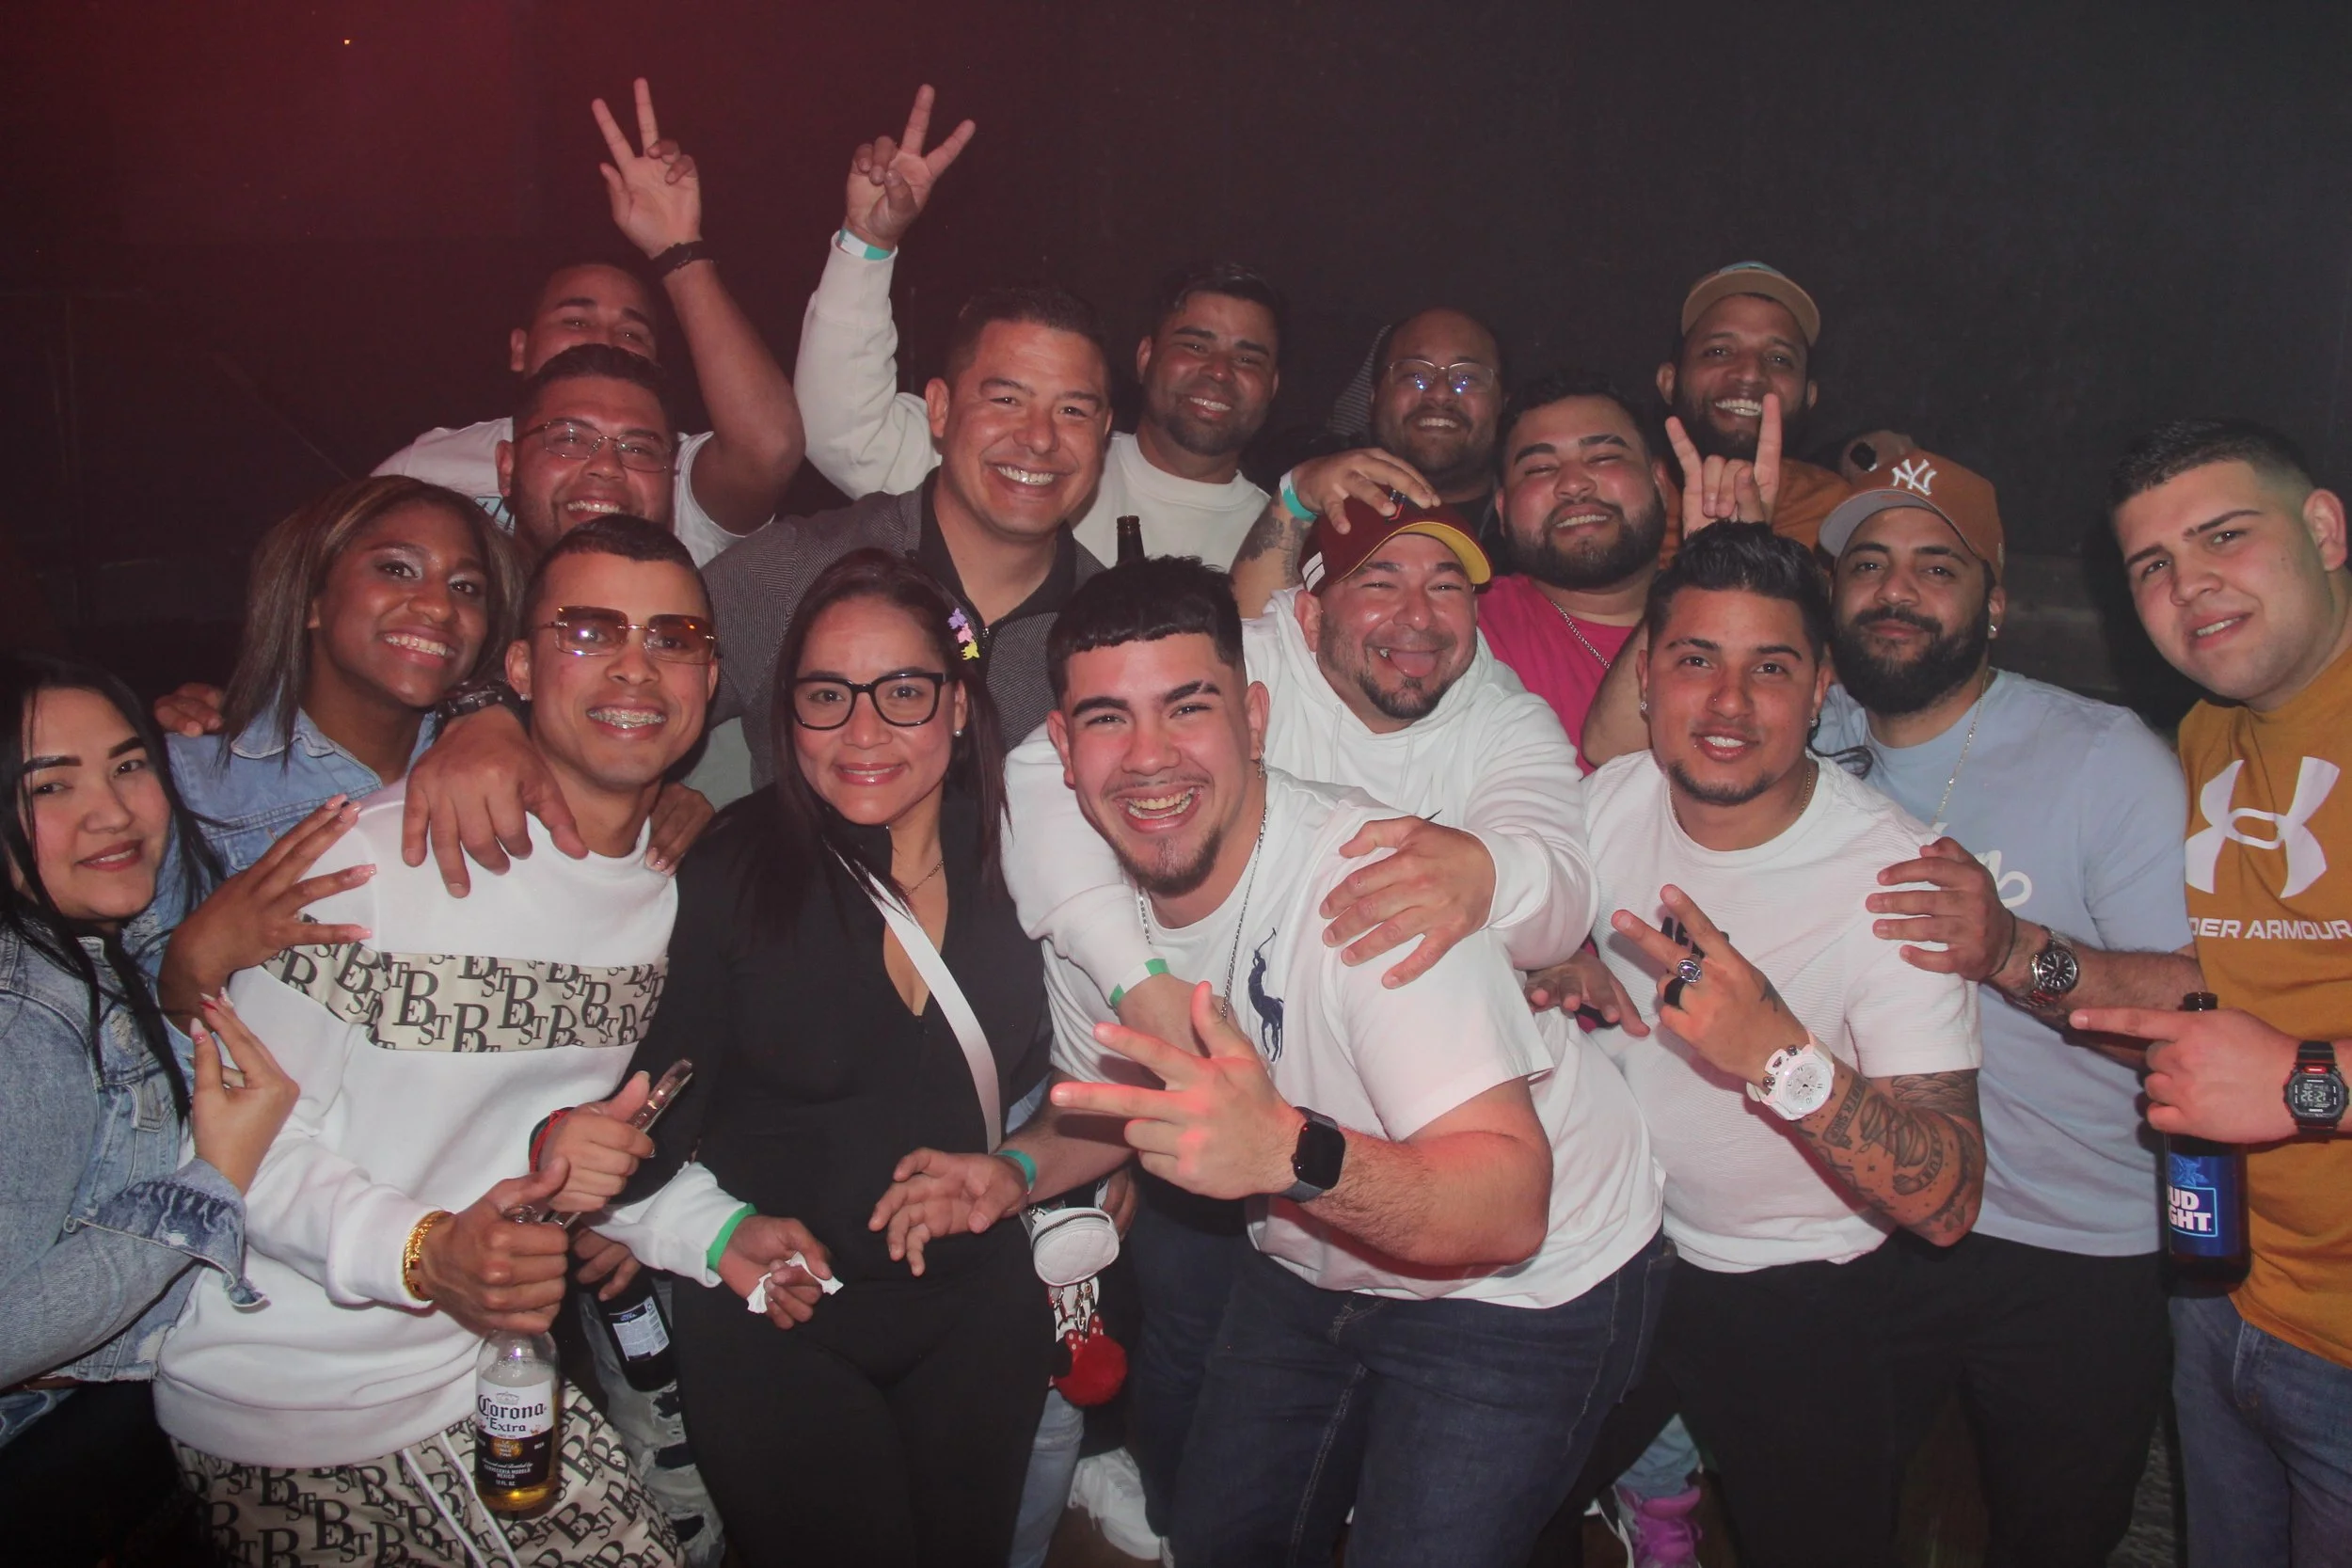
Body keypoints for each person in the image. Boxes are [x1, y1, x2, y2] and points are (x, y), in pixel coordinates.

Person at [986, 558, 1661, 1565]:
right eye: (1106, 720)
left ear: (1256, 718)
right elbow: (1124, 1101)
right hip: (1314, 1256)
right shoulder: (1101, 925)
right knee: (1221, 1542)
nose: (1149, 758)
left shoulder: (1367, 890)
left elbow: (1510, 1200)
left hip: (1527, 1283)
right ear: (1062, 749)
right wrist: (1010, 1171)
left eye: (1187, 707)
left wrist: (1287, 1153)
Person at [154, 516, 719, 1566]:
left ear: (708, 672)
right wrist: (424, 1250)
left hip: (490, 1372)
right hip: (290, 1394)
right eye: (590, 631)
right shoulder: (366, 861)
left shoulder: (676, 891)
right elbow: (239, 1154)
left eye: (674, 637)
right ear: (518, 665)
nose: (637, 665)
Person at [577, 549, 1053, 1566]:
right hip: (784, 1313)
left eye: (905, 692)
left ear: (960, 706)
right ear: (785, 713)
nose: (864, 730)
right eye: (826, 695)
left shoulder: (1035, 852)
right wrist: (686, 1225)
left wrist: (1068, 1164)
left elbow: (1106, 1060)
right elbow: (636, 1117)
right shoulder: (734, 864)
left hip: (980, 1315)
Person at [1558, 522, 1984, 1568]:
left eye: (1771, 667)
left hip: (1796, 1287)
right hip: (1611, 1242)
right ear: (1648, 677)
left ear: (1821, 685)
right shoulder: (1608, 800)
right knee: (1512, 1504)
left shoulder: (1895, 880)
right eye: (1696, 658)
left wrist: (1780, 1059)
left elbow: (1950, 1196)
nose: (1730, 702)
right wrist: (1552, 959)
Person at [1805, 451, 2200, 1565]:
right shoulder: (1806, 744)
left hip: (2074, 1245)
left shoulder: (2100, 757)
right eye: (1868, 563)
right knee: (1836, 1517)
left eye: (1937, 565)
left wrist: (2014, 950)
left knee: (2050, 1535)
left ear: (1995, 603)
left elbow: (2192, 995)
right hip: (1873, 1217)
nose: (1895, 589)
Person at [2080, 419, 2352, 1564]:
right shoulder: (2205, 732)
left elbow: (2281, 1063)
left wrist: (2304, 1083)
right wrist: (2016, 954)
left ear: (2324, 528)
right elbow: (2224, 975)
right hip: (2228, 1291)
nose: (2188, 585)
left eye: (2223, 536)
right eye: (2152, 564)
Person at [0, 653, 310, 1564]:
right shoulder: (29, 1011)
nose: (112, 809)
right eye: (53, 784)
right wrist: (213, 1176)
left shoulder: (103, 949)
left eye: (129, 765)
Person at [796, 86, 1279, 566]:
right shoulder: (1034, 458)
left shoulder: (1284, 543)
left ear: (1274, 385)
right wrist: (867, 242)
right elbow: (844, 429)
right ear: (1146, 356)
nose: (1218, 371)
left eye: (1247, 357)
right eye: (1195, 345)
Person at [376, 78, 802, 567]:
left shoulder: (666, 467)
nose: (605, 341)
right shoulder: (428, 468)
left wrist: (677, 249)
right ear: (520, 348)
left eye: (631, 332)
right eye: (576, 321)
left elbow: (769, 448)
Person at [167, 476, 523, 873]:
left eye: (465, 587)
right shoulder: (188, 785)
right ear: (310, 601)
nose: (440, 607)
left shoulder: (510, 758)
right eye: (397, 569)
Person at [1231, 306, 1505, 612]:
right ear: (1373, 397)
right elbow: (1249, 640)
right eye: (1414, 375)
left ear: (1502, 403)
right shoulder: (1295, 479)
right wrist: (1295, 498)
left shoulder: (1530, 531)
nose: (1440, 394)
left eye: (1467, 377)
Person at [1477, 372, 1676, 755]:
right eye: (1539, 469)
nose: (1573, 483)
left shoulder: (1749, 620)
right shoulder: (1463, 626)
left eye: (1603, 458)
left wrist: (1719, 572)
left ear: (1659, 483)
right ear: (1502, 510)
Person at [1655, 261, 1849, 552]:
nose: (1750, 373)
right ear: (1669, 382)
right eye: (1718, 351)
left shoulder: (1841, 515)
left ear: (1810, 396)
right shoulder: (1623, 502)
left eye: (1779, 359)